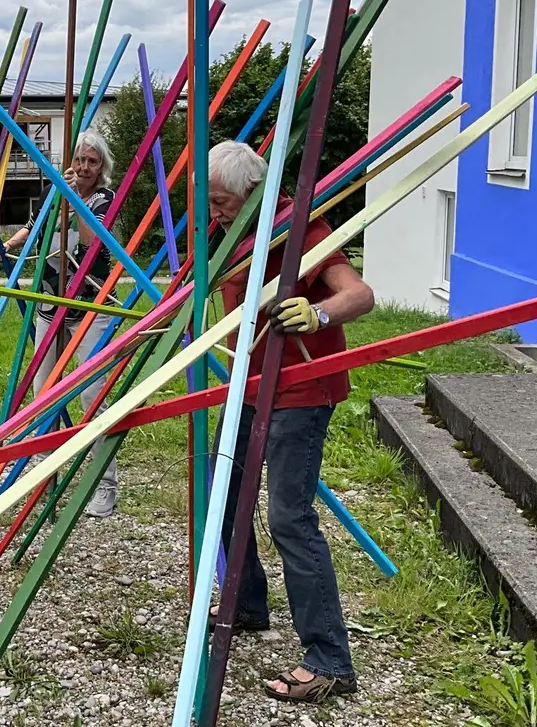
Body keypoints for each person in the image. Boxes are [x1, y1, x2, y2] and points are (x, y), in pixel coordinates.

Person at [205, 140, 373, 703]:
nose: (213, 213)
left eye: (222, 201)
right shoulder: (227, 232)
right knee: (225, 494)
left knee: (289, 517)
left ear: (253, 193)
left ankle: (330, 660)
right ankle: (247, 605)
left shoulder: (299, 226)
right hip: (248, 385)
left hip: (301, 389)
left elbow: (360, 293)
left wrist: (318, 312)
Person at [0, 131, 122, 517]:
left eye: (92, 162)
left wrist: (71, 200)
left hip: (91, 305)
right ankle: (44, 472)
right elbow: (32, 229)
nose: (83, 168)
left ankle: (104, 483)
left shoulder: (103, 200)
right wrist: (3, 248)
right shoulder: (56, 190)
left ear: (102, 169)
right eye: (79, 159)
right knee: (43, 390)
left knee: (90, 396)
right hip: (51, 302)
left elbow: (93, 242)